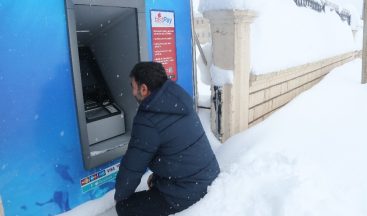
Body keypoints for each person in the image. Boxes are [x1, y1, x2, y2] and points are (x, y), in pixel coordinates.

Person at [114, 62, 220, 216]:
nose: (132, 91)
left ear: (144, 89)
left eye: (133, 86)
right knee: (154, 180)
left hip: (188, 191)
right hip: (208, 175)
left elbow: (132, 167)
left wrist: (121, 197)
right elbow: (175, 148)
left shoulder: (147, 119)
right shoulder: (177, 99)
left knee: (125, 208)